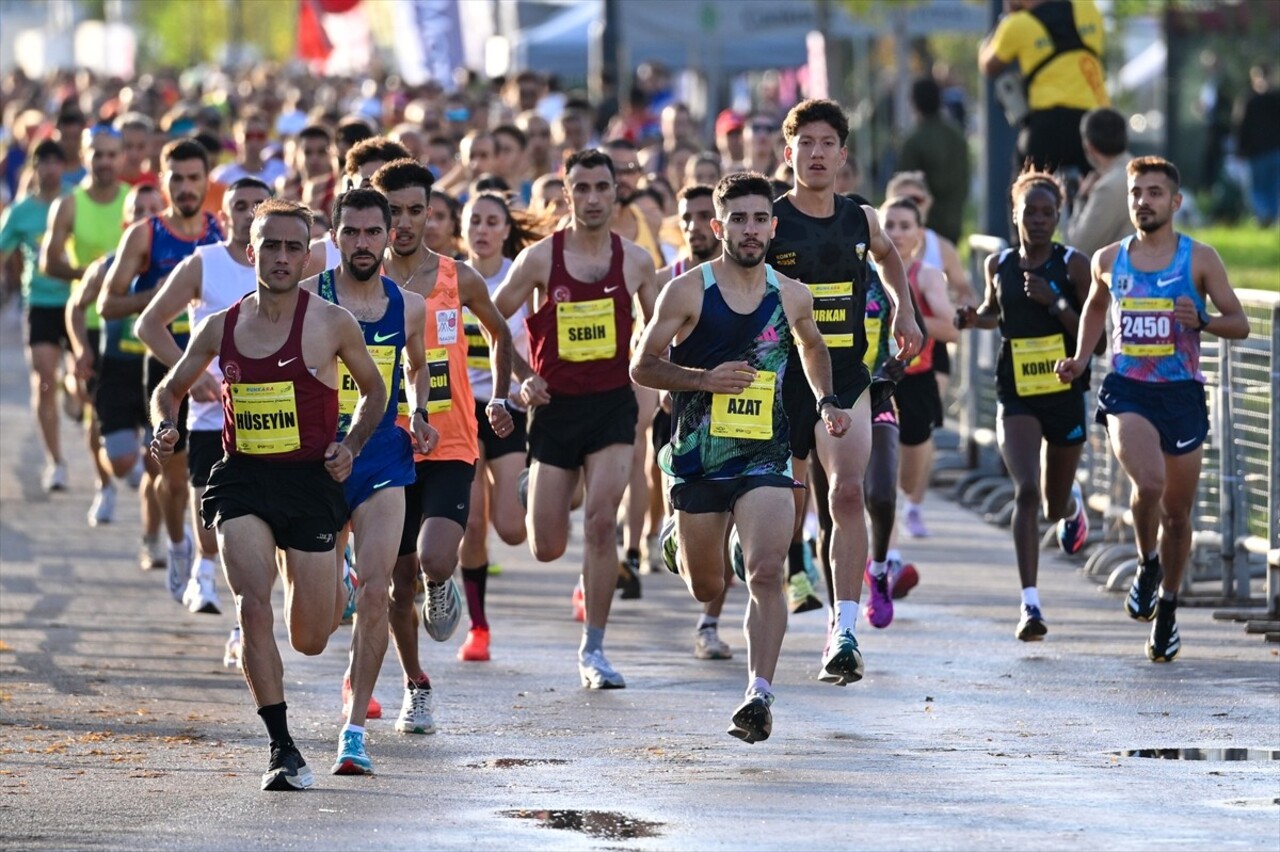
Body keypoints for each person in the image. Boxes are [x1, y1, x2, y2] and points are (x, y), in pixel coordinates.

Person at [149, 199, 389, 791]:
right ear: (252, 252)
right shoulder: (219, 327)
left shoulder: (331, 323)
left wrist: (351, 446)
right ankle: (281, 747)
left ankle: (341, 581)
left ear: (307, 253)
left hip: (310, 481)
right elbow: (169, 388)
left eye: (293, 247)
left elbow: (375, 393)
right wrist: (166, 425)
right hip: (243, 479)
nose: (282, 257)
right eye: (271, 247)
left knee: (311, 637)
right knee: (251, 605)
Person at [633, 172, 851, 742]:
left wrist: (826, 400)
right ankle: (683, 542)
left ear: (773, 227)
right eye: (738, 219)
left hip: (765, 455)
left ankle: (759, 693)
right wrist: (704, 379)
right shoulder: (686, 291)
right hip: (699, 458)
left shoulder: (791, 293)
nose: (750, 230)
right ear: (717, 226)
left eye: (759, 220)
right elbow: (642, 365)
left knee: (766, 571)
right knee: (707, 587)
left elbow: (812, 344)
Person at [1055, 157, 1250, 662]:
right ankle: (1146, 562)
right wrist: (1081, 357)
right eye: (1137, 192)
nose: (1144, 201)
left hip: (1182, 393)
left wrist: (1202, 320)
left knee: (1179, 516)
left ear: (1175, 202)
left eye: (1155, 193)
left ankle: (1167, 608)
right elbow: (1096, 305)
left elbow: (1240, 322)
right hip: (1128, 390)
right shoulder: (1108, 259)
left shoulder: (1199, 259)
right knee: (1150, 485)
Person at [766, 99, 922, 684]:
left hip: (849, 376)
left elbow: (889, 259)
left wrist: (905, 311)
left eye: (827, 142)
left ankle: (845, 628)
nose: (816, 153)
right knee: (788, 504)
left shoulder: (862, 219)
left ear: (843, 154)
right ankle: (778, 571)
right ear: (789, 154)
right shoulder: (771, 220)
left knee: (849, 493)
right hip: (783, 378)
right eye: (805, 143)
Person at [493, 148, 657, 689]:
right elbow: (494, 318)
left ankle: (594, 648)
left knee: (601, 523)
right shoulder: (541, 259)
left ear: (616, 193)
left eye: (601, 188)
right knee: (546, 545)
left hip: (612, 404)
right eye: (580, 188)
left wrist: (659, 373)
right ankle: (537, 484)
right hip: (555, 409)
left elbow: (662, 324)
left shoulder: (634, 260)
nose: (591, 198)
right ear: (566, 194)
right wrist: (519, 377)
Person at [372, 166, 511, 729]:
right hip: (386, 444)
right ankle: (416, 684)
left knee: (432, 559)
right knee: (395, 585)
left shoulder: (458, 277)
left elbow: (501, 333)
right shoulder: (361, 283)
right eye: (393, 212)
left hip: (452, 437)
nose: (403, 223)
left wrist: (499, 396)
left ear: (430, 213)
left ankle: (443, 582)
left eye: (414, 210)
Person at [304, 187, 435, 774]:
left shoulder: (408, 306)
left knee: (381, 587)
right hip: (316, 461)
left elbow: (416, 367)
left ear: (390, 237)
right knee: (320, 621)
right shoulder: (309, 299)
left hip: (382, 457)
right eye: (351, 233)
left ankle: (353, 731)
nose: (363, 243)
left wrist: (422, 416)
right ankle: (339, 580)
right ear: (335, 238)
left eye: (373, 233)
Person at [956, 171, 1095, 640]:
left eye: (1047, 213)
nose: (1038, 221)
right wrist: (975, 318)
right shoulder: (998, 264)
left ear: (1059, 217)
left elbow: (1090, 338)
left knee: (1053, 506)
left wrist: (1055, 302)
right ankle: (1030, 605)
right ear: (1014, 214)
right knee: (1026, 491)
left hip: (1063, 392)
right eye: (1028, 212)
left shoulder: (1074, 266)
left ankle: (1072, 508)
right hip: (1015, 391)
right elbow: (997, 310)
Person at [136, 177, 273, 638]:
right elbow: (149, 324)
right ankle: (199, 566)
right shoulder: (204, 263)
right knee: (211, 517)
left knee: (258, 529)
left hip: (272, 418)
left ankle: (243, 626)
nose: (249, 213)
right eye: (240, 205)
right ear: (224, 214)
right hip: (213, 415)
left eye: (259, 205)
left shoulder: (290, 267)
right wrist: (189, 376)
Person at [101, 138, 223, 600]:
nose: (186, 187)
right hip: (166, 370)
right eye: (178, 178)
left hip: (217, 369)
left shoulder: (221, 234)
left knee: (201, 472)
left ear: (207, 181)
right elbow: (109, 304)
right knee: (171, 480)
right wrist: (163, 295)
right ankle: (177, 546)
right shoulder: (146, 235)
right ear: (162, 179)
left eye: (195, 178)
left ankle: (205, 562)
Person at [649, 183, 736, 658]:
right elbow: (643, 352)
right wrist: (674, 384)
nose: (695, 227)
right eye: (687, 218)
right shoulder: (669, 280)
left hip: (740, 420)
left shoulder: (747, 278)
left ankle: (709, 625)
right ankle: (670, 528)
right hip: (679, 416)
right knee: (691, 542)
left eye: (704, 216)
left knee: (728, 529)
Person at [65, 185, 166, 559]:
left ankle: (153, 541)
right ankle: (113, 477)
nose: (143, 216)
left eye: (151, 210)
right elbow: (76, 307)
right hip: (117, 369)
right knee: (125, 462)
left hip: (159, 368)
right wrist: (81, 347)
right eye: (136, 210)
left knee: (157, 465)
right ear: (126, 221)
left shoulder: (180, 265)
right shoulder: (107, 265)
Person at [455, 190, 535, 641]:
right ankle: (478, 627)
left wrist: (527, 378)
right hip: (462, 411)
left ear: (507, 230)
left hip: (509, 407)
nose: (482, 230)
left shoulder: (519, 276)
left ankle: (538, 478)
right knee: (473, 521)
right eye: (474, 222)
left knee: (511, 530)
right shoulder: (448, 276)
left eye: (491, 222)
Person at [41, 124, 132, 507]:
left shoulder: (135, 201)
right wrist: (92, 275)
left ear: (122, 157)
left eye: (112, 154)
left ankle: (127, 470)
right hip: (88, 320)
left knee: (130, 406)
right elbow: (49, 261)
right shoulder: (69, 204)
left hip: (130, 320)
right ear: (85, 155)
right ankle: (104, 485)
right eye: (98, 153)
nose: (105, 161)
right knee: (97, 409)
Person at [881, 197, 958, 547]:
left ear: (919, 235)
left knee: (909, 480)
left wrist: (907, 317)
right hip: (875, 379)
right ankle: (886, 549)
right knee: (878, 478)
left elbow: (951, 329)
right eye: (889, 225)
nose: (896, 234)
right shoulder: (865, 274)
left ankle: (909, 507)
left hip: (916, 379)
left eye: (904, 226)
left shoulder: (926, 276)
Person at [0, 140, 70, 492]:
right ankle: (55, 461)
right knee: (44, 381)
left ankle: (74, 390)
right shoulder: (21, 210)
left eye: (57, 162)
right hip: (40, 301)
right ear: (35, 166)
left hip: (79, 304)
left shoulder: (76, 200)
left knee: (79, 388)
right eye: (44, 162)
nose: (51, 168)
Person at [979, 0, 1108, 176]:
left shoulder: (1017, 24)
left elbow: (988, 65)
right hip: (1095, 120)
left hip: (1049, 124)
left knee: (1025, 188)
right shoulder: (1087, 7)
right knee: (1103, 184)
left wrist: (1005, 18)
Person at [897, 77, 970, 244]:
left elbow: (904, 187)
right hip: (953, 223)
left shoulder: (914, 141)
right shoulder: (957, 136)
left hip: (923, 227)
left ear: (914, 103)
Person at [1066, 108, 1133, 258]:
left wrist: (1081, 199)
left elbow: (1076, 248)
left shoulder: (1107, 187)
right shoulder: (1144, 172)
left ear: (1089, 146)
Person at [1237, 63, 1280, 228]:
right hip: (1273, 151)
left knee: (1257, 189)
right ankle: (1270, 217)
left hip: (1257, 153)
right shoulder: (1276, 98)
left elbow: (1241, 126)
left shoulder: (1248, 100)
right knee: (1272, 188)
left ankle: (1263, 216)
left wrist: (1240, 149)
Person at [210, 109, 288, 187]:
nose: (254, 142)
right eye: (248, 136)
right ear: (235, 138)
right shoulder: (221, 177)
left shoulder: (282, 171)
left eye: (260, 136)